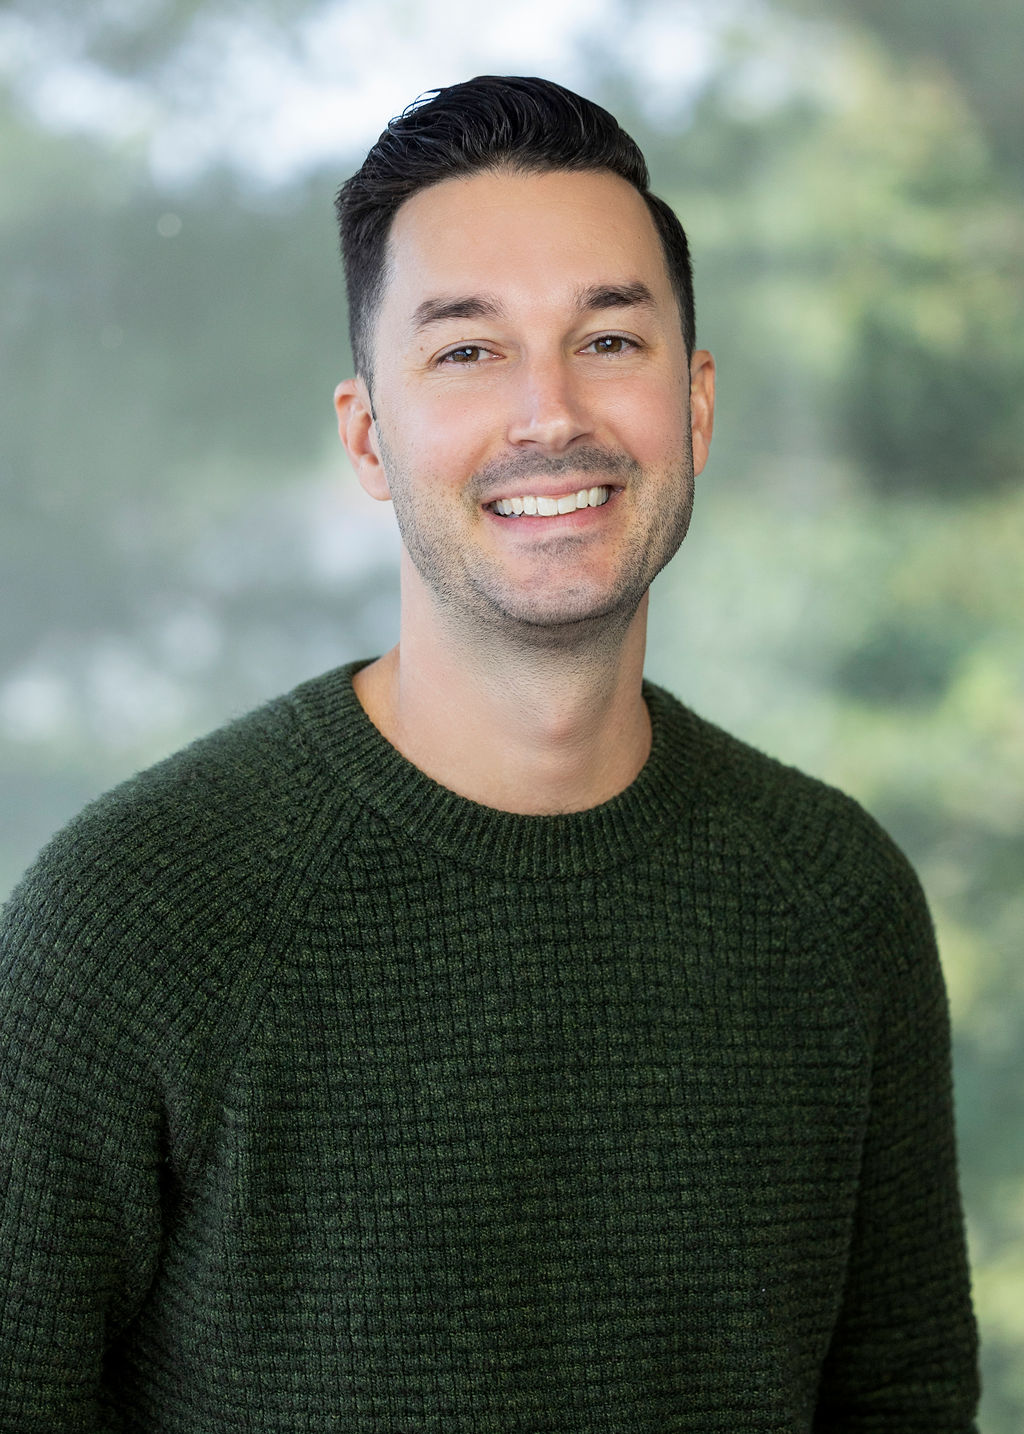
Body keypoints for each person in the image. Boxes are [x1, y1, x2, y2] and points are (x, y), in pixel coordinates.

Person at [0, 75, 979, 1432]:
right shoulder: (133, 914)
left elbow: (909, 1397)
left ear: (695, 406)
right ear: (367, 434)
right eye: (467, 351)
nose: (549, 414)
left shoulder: (837, 895)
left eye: (611, 342)